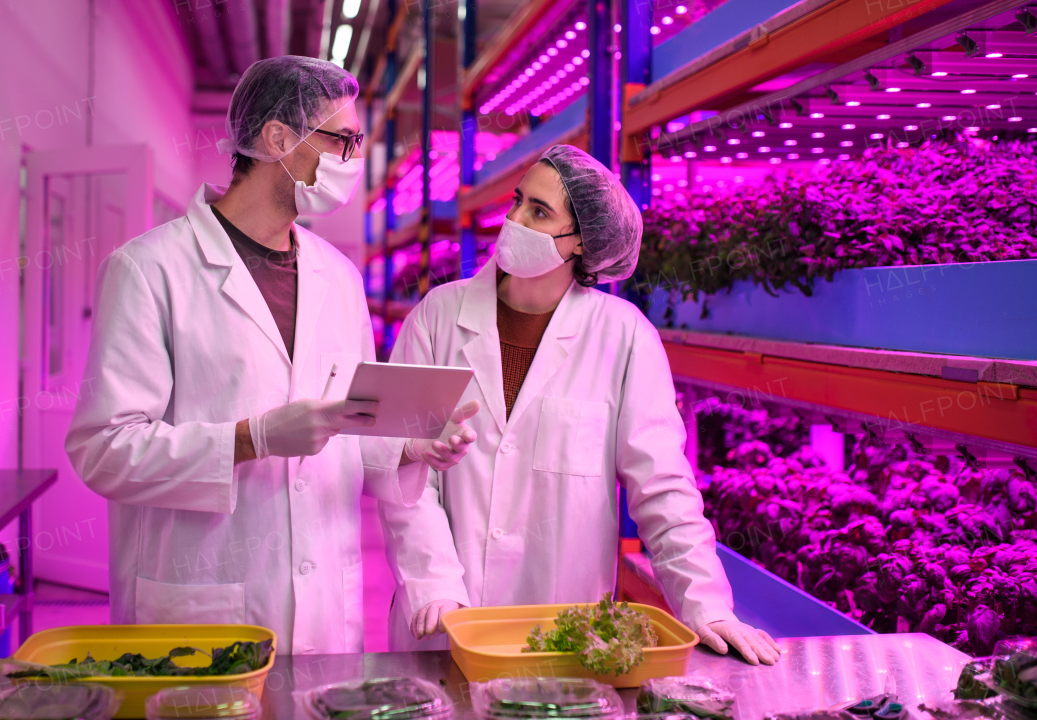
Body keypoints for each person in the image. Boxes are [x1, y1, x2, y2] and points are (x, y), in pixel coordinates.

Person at [65, 56, 476, 655]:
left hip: (324, 611)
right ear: (278, 139)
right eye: (343, 140)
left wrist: (409, 447)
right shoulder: (150, 270)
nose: (354, 160)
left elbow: (347, 426)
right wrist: (250, 438)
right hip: (202, 604)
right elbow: (103, 449)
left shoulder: (337, 276)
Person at [376, 144, 784, 665]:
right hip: (441, 624)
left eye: (539, 212)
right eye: (518, 201)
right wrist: (432, 581)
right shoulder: (436, 317)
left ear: (581, 245)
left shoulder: (624, 336)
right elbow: (403, 466)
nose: (514, 219)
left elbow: (661, 485)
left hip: (561, 632)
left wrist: (705, 605)